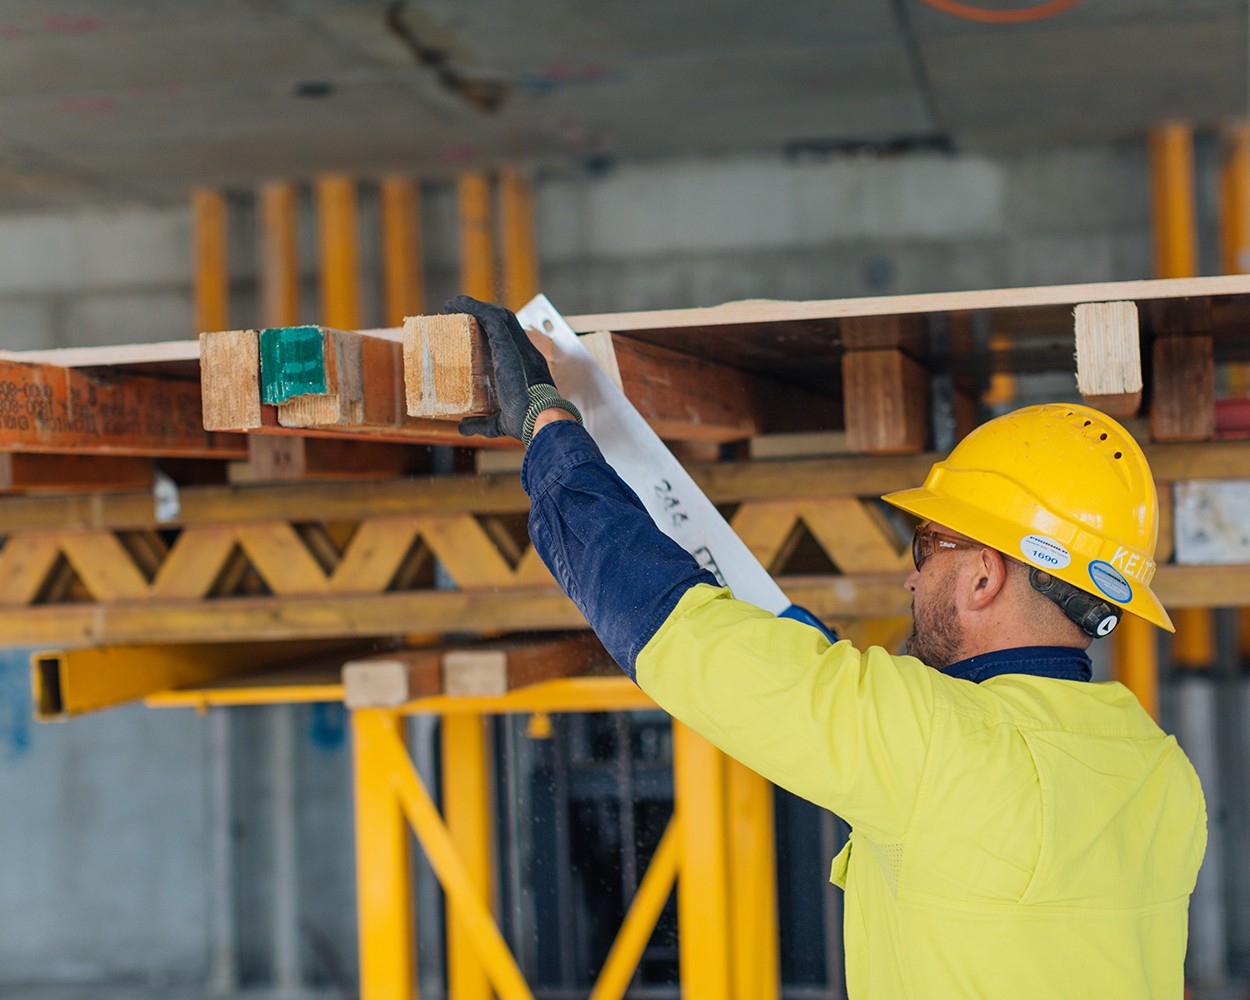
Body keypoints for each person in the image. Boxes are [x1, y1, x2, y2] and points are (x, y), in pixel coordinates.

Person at [446, 295, 1208, 999]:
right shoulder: (1161, 775)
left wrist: (546, 424)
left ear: (984, 576)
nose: (911, 584)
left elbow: (669, 625)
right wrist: (804, 656)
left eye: (927, 548)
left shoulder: (935, 747)